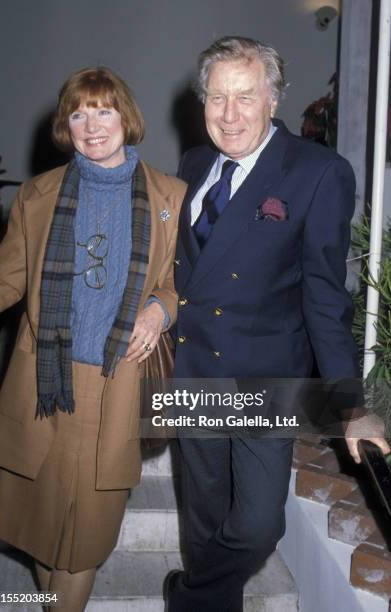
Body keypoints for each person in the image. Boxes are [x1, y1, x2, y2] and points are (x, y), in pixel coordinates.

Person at [166, 36, 391, 612]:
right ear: (203, 103)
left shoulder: (318, 172)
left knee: (260, 525)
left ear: (274, 101)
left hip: (265, 377)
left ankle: (189, 595)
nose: (229, 113)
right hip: (193, 371)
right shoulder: (193, 164)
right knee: (202, 515)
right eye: (217, 98)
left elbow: (324, 295)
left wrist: (349, 404)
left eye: (246, 96)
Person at [0, 66, 185, 611]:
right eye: (78, 113)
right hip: (41, 384)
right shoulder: (36, 195)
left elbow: (180, 282)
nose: (92, 124)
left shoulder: (170, 196)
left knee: (84, 546)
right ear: (65, 125)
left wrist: (158, 310)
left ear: (126, 116)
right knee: (37, 529)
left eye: (104, 109)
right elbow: (5, 278)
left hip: (115, 386)